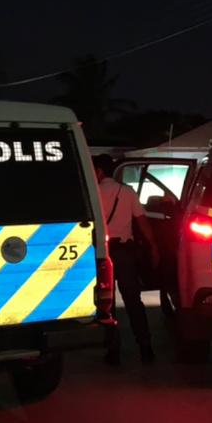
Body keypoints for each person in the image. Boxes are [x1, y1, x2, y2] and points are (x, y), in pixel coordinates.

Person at [93, 154, 158, 364]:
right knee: (133, 301)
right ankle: (146, 348)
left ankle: (113, 351)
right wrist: (153, 246)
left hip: (102, 254)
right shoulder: (127, 191)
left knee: (107, 305)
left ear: (99, 171)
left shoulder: (93, 192)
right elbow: (142, 221)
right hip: (125, 253)